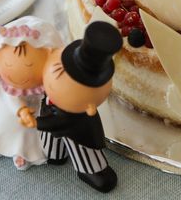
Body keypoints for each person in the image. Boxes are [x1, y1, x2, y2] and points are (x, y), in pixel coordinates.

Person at [28, 21, 123, 193]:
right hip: (49, 109)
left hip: (79, 133)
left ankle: (92, 170)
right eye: (58, 67)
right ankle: (54, 155)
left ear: (90, 107)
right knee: (50, 143)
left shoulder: (75, 114)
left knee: (83, 152)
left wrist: (36, 122)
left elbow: (57, 123)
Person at [0, 16, 64, 170]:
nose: (14, 72)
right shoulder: (7, 87)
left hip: (35, 118)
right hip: (9, 113)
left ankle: (23, 154)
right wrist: (21, 109)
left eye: (29, 65)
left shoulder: (46, 88)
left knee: (27, 136)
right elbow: (10, 98)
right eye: (8, 64)